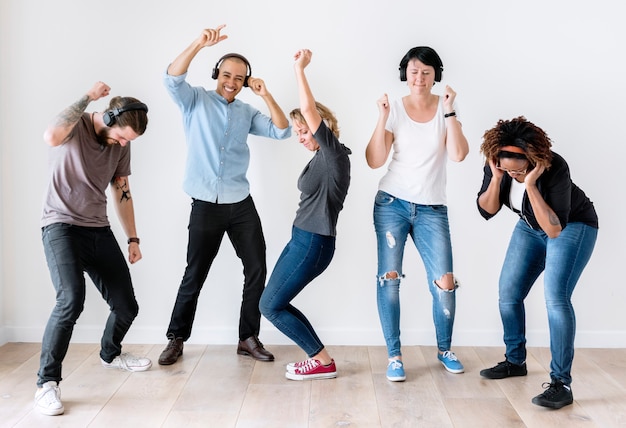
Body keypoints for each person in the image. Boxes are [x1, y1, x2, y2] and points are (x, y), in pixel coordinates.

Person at [158, 25, 291, 366]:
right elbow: (171, 78)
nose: (232, 82)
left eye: (240, 78)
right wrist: (199, 44)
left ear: (246, 82)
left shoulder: (246, 112)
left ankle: (248, 337)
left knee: (257, 268)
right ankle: (176, 339)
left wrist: (265, 94)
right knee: (195, 273)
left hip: (240, 203)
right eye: (226, 75)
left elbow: (281, 130)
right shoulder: (196, 100)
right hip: (205, 203)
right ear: (217, 74)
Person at [35, 81, 151, 416]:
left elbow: (122, 190)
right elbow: (50, 137)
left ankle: (111, 354)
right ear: (110, 117)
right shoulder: (76, 125)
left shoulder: (121, 144)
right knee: (71, 299)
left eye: (129, 141)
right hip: (60, 226)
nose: (123, 143)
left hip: (98, 229)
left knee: (127, 306)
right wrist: (87, 97)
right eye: (122, 135)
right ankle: (46, 384)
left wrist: (133, 238)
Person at [477, 116, 598, 409]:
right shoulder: (498, 165)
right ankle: (515, 361)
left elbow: (555, 229)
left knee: (556, 298)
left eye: (518, 171)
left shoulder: (555, 167)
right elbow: (486, 210)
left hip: (571, 227)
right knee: (508, 294)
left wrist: (530, 184)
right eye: (506, 169)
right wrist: (496, 177)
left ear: (533, 160)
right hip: (529, 226)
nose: (512, 176)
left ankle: (561, 384)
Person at [365, 46, 469, 382]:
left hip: (432, 208)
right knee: (389, 280)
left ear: (435, 74)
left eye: (426, 72)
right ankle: (394, 356)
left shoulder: (445, 108)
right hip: (392, 203)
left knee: (445, 283)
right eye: (413, 71)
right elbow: (374, 160)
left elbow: (458, 154)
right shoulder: (394, 109)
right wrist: (381, 117)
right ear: (404, 74)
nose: (419, 78)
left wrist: (450, 111)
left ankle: (444, 349)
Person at [259, 49, 351, 381]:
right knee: (276, 303)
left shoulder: (334, 154)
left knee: (269, 306)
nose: (300, 137)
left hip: (313, 243)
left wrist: (298, 69)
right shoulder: (320, 158)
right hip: (301, 239)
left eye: (304, 130)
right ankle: (319, 358)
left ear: (321, 127)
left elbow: (310, 110)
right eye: (297, 132)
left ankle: (321, 361)